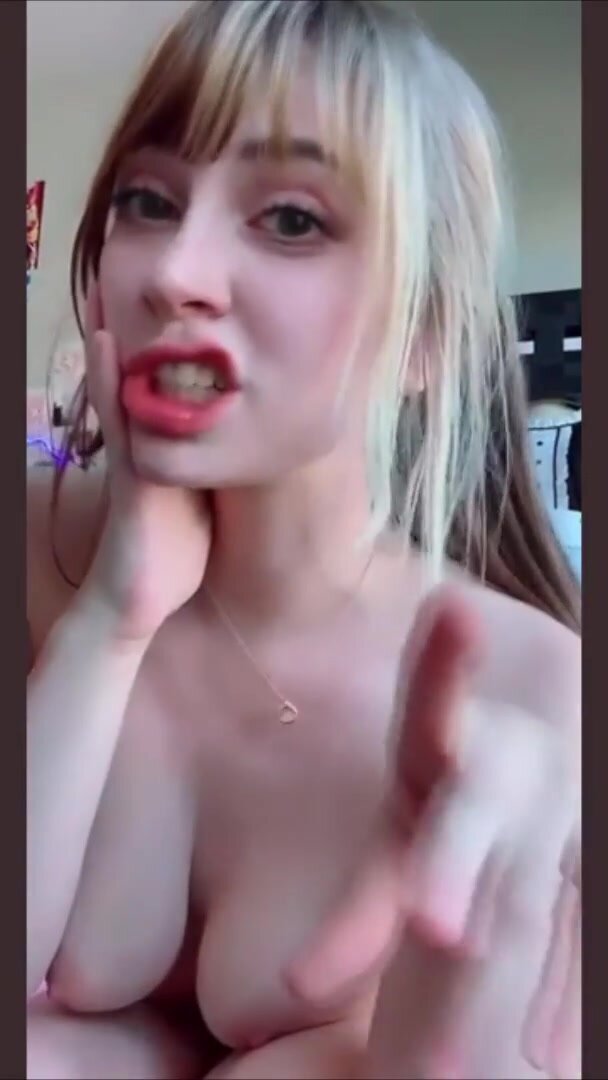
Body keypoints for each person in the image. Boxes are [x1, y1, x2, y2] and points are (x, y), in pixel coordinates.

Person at [26, 1, 581, 1077]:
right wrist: (110, 620)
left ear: (424, 336)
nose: (174, 271)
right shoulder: (33, 544)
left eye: (290, 219)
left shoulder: (532, 694)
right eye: (148, 201)